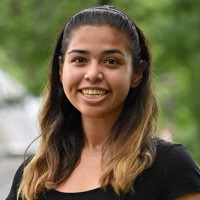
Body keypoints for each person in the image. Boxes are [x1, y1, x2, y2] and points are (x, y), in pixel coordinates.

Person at [6, 5, 200, 200]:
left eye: (111, 61)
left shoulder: (170, 166)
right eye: (80, 59)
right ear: (60, 70)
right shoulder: (33, 175)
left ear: (137, 73)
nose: (92, 74)